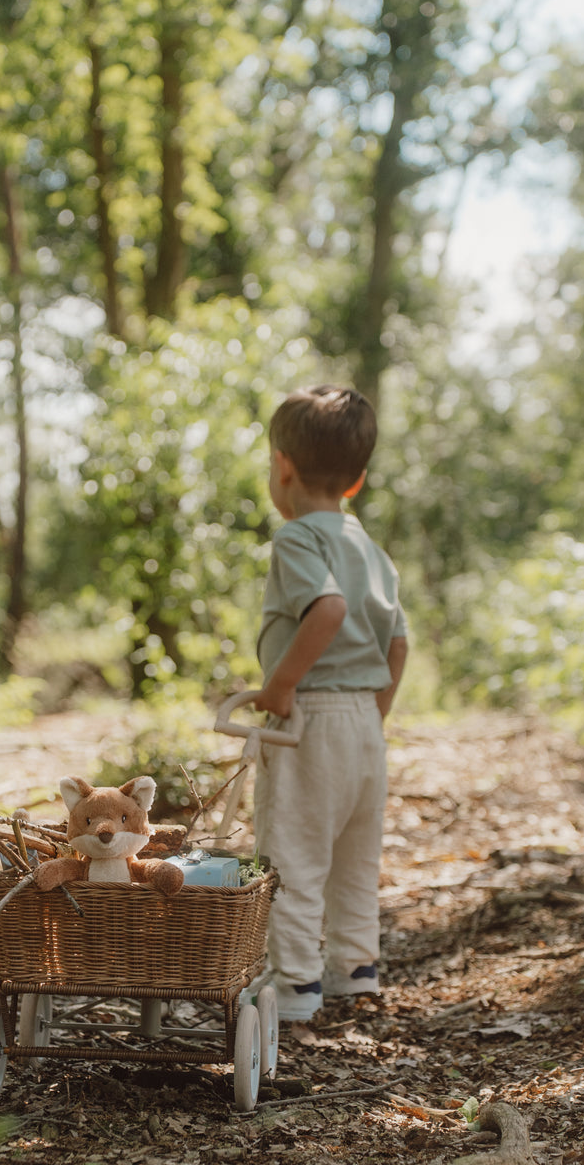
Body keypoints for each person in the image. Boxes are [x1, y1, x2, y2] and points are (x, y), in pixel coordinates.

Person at [247, 384, 407, 1021]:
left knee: (291, 852)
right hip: (366, 719)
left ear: (282, 466)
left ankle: (294, 987)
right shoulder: (371, 549)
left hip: (309, 719)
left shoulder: (295, 540)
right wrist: (375, 714)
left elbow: (328, 609)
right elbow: (398, 642)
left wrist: (279, 687)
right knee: (353, 855)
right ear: (358, 480)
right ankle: (354, 968)